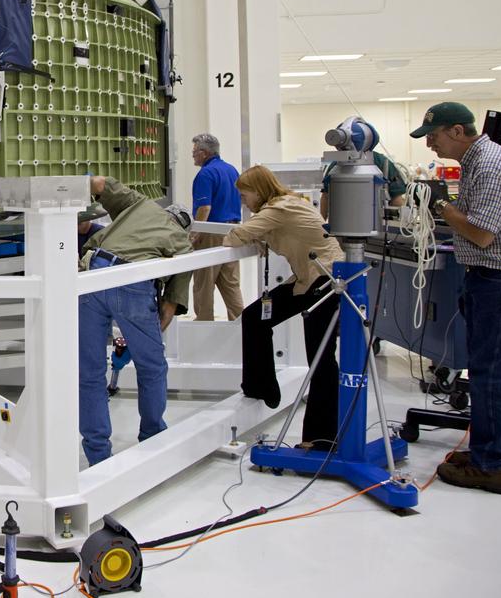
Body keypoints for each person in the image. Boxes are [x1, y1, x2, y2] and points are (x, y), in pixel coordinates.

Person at [412, 102, 501, 495]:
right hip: (496, 278)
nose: (430, 144)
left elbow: (482, 234)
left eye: (433, 136)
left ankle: (491, 466)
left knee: (489, 376)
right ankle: (498, 449)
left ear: (456, 131)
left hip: (500, 280)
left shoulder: (489, 166)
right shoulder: (481, 160)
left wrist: (441, 207)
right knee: (490, 373)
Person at [223, 166, 343, 449]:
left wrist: (256, 234)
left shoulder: (279, 208)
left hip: (324, 282)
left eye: (245, 195)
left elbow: (236, 235)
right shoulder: (289, 203)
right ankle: (261, 386)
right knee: (254, 317)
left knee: (321, 359)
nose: (244, 202)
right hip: (309, 279)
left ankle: (322, 437)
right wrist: (262, 237)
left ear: (259, 191)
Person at [77, 175, 192, 466]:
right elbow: (167, 310)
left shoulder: (139, 204)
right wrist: (142, 336)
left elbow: (99, 182)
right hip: (133, 282)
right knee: (152, 367)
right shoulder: (182, 241)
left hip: (91, 273)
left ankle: (98, 455)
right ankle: (153, 438)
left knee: (90, 373)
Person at [189, 133, 243, 321]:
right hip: (233, 232)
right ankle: (241, 324)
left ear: (204, 153)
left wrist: (196, 233)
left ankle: (204, 323)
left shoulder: (205, 174)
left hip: (211, 233)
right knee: (231, 283)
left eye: (195, 151)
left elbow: (204, 207)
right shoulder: (231, 170)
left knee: (204, 282)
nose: (193, 155)